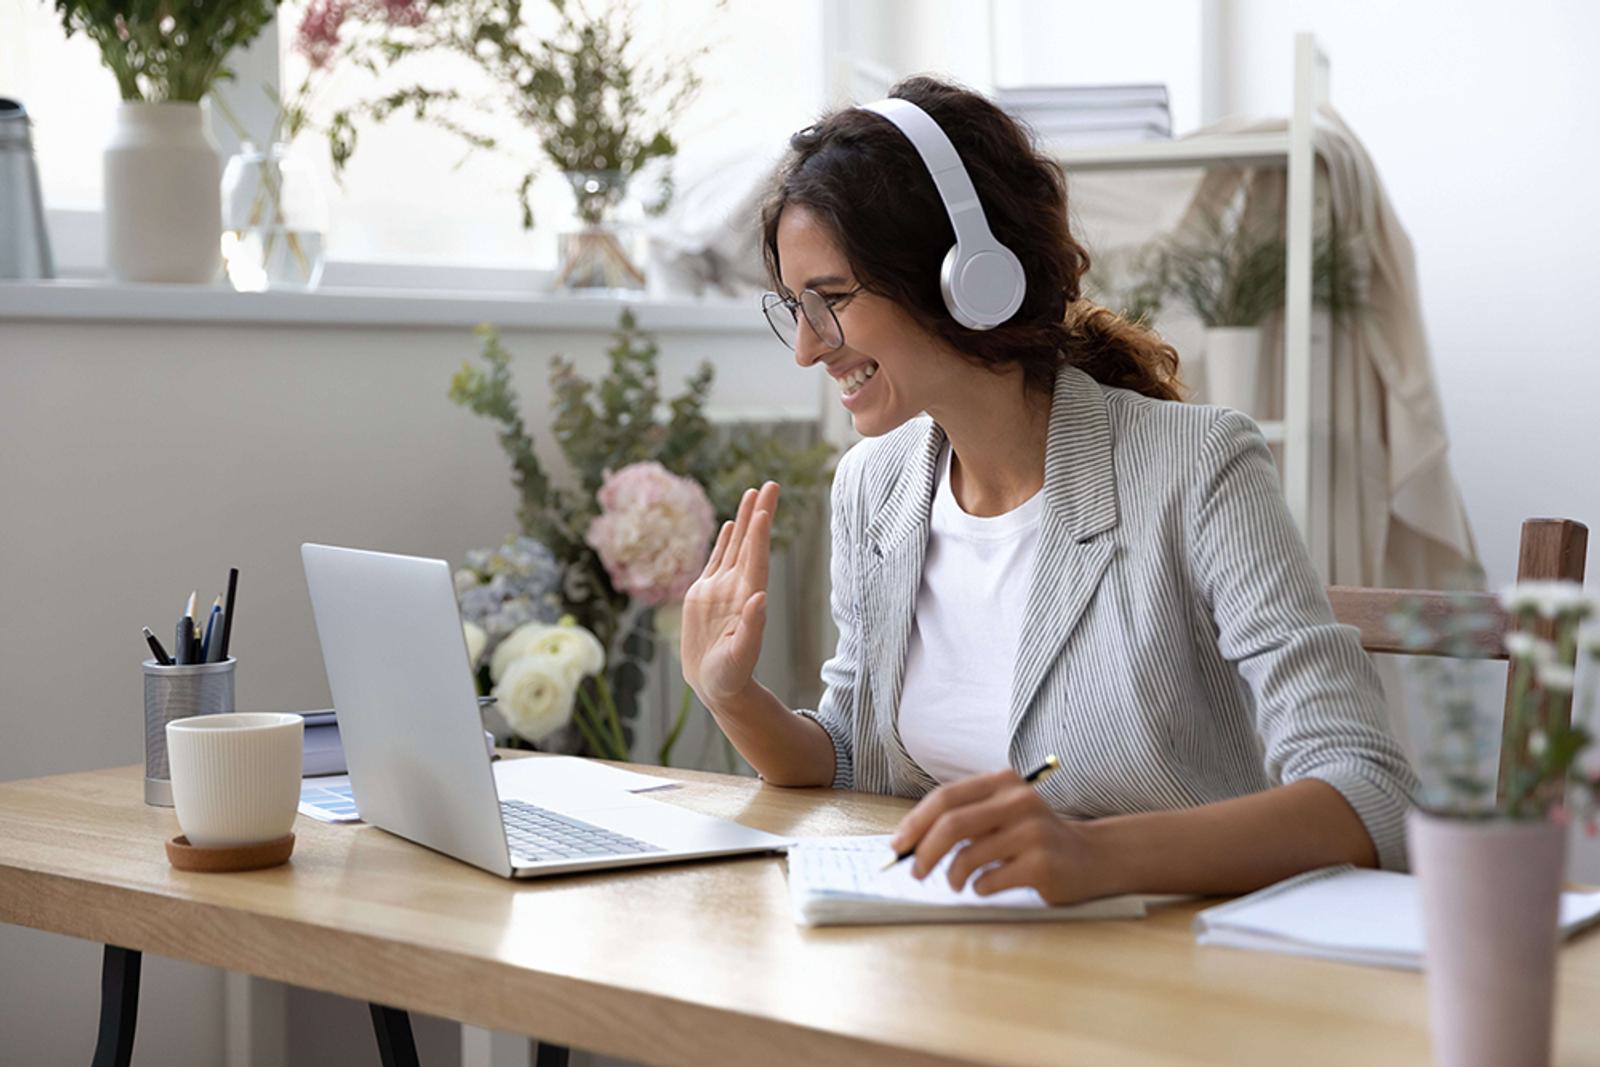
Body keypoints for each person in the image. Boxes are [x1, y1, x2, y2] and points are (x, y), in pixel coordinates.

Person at [678, 75, 1417, 906]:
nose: (808, 350)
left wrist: (1095, 855)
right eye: (793, 308)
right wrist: (734, 698)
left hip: (1168, 983)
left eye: (833, 300)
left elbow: (1372, 797)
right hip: (940, 968)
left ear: (963, 274)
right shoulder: (874, 487)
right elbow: (853, 756)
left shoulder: (1199, 467)